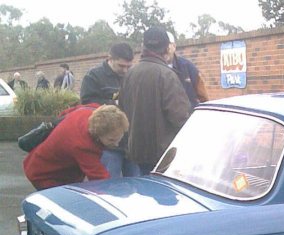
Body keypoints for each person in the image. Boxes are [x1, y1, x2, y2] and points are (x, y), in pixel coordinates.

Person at [119, 26, 190, 175]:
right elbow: (180, 117)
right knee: (164, 196)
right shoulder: (166, 75)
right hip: (162, 156)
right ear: (166, 49)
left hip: (136, 150)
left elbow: (122, 110)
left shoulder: (130, 74)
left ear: (143, 47)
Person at [23, 104, 129, 190]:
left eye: (119, 138)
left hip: (62, 168)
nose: (116, 144)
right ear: (98, 134)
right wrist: (117, 191)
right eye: (111, 140)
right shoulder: (83, 145)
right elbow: (100, 179)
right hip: (45, 174)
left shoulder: (94, 111)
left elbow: (66, 113)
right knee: (62, 208)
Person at [80, 43, 138, 177]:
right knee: (108, 187)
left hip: (131, 143)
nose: (125, 71)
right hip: (108, 145)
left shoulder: (133, 75)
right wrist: (116, 103)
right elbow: (87, 105)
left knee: (136, 188)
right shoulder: (93, 76)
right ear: (110, 58)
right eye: (121, 66)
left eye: (128, 66)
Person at [167, 32, 209, 109]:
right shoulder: (155, 70)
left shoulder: (187, 67)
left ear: (174, 46)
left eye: (168, 46)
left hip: (188, 117)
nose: (165, 50)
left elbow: (203, 96)